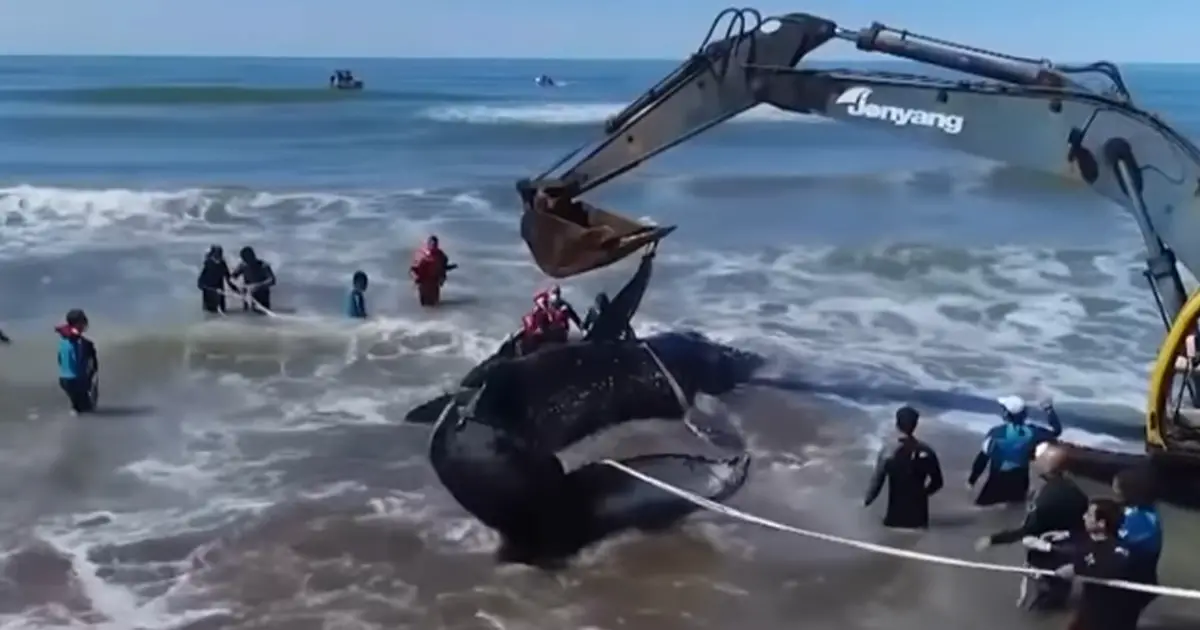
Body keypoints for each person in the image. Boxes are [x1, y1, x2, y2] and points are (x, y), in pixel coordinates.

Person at [975, 442, 1088, 611]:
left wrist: (994, 539)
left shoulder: (1046, 497)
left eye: (1036, 460)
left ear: (1045, 465)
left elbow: (1028, 530)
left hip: (1045, 556)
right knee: (1059, 596)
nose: (1033, 463)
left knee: (1043, 602)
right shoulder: (1077, 493)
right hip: (1067, 554)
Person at [1040, 498, 1142, 630]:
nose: (1083, 517)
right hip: (1089, 608)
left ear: (1101, 524)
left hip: (1109, 615)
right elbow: (1078, 544)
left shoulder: (1117, 549)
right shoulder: (1088, 540)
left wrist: (1076, 569)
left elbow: (1111, 569)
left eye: (1089, 515)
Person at [967, 395, 1063, 506]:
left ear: (1006, 414)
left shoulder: (996, 433)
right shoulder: (1033, 432)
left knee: (983, 510)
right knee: (1014, 508)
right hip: (1020, 480)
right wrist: (1049, 409)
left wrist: (971, 481)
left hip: (997, 480)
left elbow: (982, 459)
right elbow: (1056, 431)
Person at [863, 406, 944, 529]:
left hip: (894, 520)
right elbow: (938, 483)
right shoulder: (927, 452)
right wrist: (922, 494)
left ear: (897, 424)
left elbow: (877, 483)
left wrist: (865, 503)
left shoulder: (888, 452)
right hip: (919, 520)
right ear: (915, 425)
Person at [1112, 466, 1162, 627]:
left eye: (1116, 487)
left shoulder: (1140, 520)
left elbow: (1118, 547)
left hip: (1133, 583)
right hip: (1139, 578)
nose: (1113, 490)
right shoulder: (1143, 511)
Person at [55, 309, 99, 414]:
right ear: (79, 323)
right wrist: (91, 382)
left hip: (64, 380)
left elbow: (60, 360)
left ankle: (75, 411)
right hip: (78, 381)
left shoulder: (63, 339)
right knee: (88, 410)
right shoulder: (84, 343)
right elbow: (93, 367)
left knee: (78, 406)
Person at [410, 236, 456, 307]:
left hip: (434, 283)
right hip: (424, 283)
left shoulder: (441, 255)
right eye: (431, 244)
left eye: (435, 244)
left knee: (435, 305)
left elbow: (443, 267)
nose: (433, 246)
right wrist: (416, 278)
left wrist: (443, 277)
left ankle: (436, 317)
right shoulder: (422, 254)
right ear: (428, 244)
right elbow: (413, 269)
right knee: (425, 305)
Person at [230, 246, 276, 314]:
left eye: (248, 259)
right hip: (247, 295)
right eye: (244, 260)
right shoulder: (243, 265)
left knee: (262, 314)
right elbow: (232, 278)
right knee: (248, 315)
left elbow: (272, 280)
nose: (246, 262)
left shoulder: (263, 266)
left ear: (253, 256)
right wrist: (240, 286)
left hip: (262, 295)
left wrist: (257, 286)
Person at [196, 245, 233, 314]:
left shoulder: (222, 263)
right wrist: (200, 284)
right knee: (209, 311)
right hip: (209, 289)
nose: (218, 260)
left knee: (221, 309)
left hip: (219, 288)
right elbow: (202, 276)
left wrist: (235, 289)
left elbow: (227, 277)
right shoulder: (208, 263)